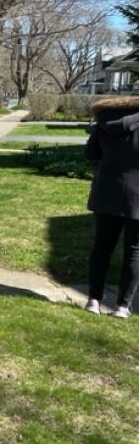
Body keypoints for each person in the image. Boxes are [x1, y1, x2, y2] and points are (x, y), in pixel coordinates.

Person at [83, 96, 139, 318]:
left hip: (107, 192)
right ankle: (122, 306)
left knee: (102, 247)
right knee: (134, 251)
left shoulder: (103, 121)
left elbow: (91, 154)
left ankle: (93, 301)